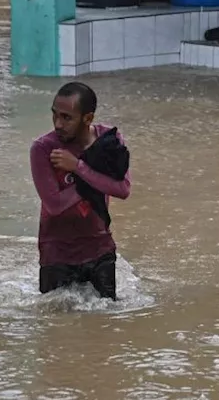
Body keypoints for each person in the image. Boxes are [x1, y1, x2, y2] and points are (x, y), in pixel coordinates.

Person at [30, 82, 131, 299]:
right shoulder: (43, 148)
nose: (58, 124)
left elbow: (123, 189)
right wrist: (94, 177)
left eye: (67, 117)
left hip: (100, 249)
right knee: (58, 328)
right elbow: (54, 204)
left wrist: (78, 167)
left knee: (105, 325)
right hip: (57, 254)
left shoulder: (108, 141)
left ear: (87, 118)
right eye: (55, 115)